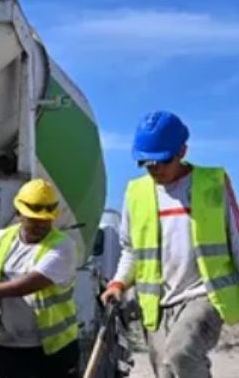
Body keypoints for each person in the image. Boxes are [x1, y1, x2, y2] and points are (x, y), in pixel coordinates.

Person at [101, 111, 239, 378]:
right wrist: (118, 283)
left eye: (162, 161)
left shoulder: (212, 183)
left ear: (182, 151)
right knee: (166, 371)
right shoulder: (136, 193)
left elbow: (236, 237)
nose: (155, 169)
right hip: (157, 302)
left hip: (204, 293)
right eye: (146, 163)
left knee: (181, 353)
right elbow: (131, 250)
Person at [0, 179, 79, 378]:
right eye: (33, 220)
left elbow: (32, 282)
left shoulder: (63, 247)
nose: (40, 226)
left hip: (50, 349)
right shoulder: (3, 237)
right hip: (7, 345)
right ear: (19, 213)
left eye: (46, 221)